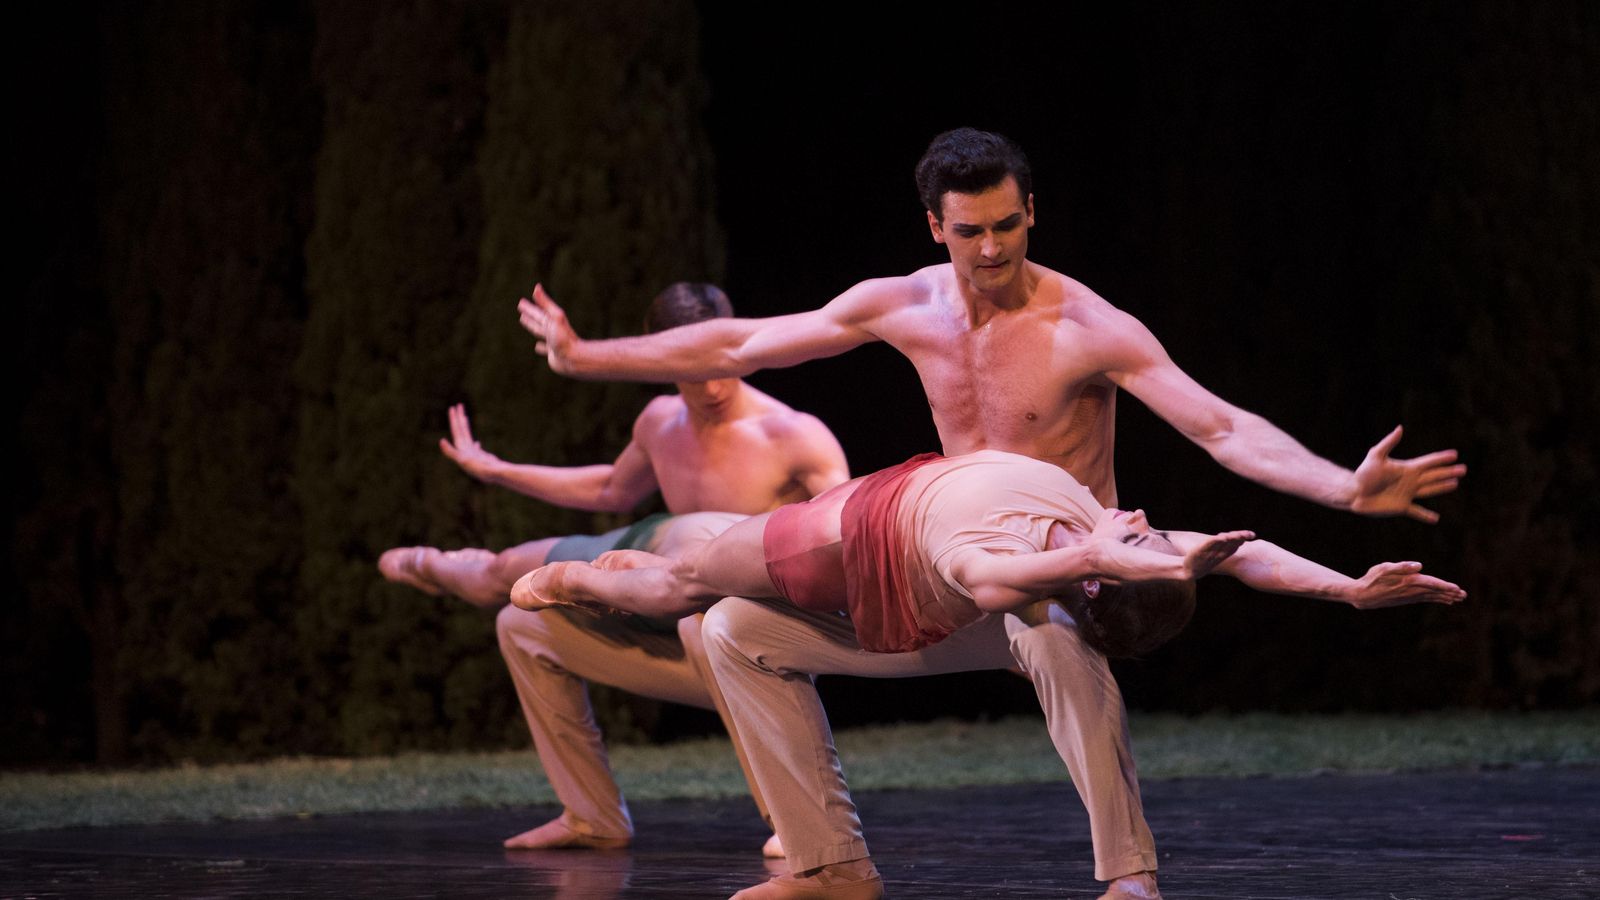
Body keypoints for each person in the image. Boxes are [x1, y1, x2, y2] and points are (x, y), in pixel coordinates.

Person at [516, 130, 1466, 899]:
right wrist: (585, 356)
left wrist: (1344, 491)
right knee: (732, 630)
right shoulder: (904, 306)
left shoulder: (1087, 329)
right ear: (936, 226)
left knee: (1056, 629)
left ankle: (1130, 878)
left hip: (1052, 573)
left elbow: (1221, 429)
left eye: (1009, 224)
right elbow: (742, 342)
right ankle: (828, 865)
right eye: (971, 231)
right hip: (940, 570)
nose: (994, 248)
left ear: (1032, 211)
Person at [381, 282, 850, 857]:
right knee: (523, 625)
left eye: (720, 364)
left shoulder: (793, 434)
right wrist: (497, 470)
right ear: (663, 359)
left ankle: (795, 823)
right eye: (692, 368)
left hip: (760, 644)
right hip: (677, 621)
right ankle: (592, 816)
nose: (711, 385)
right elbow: (610, 489)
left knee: (706, 615)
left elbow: (844, 538)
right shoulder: (661, 423)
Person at [509, 450, 1461, 654]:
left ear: (1099, 581)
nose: (1143, 519)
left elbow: (994, 578)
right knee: (688, 562)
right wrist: (1345, 590)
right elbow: (1243, 556)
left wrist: (1111, 555)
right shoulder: (1106, 538)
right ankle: (617, 577)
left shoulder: (1000, 568)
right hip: (887, 490)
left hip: (830, 548)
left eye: (1138, 540)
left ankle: (578, 582)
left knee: (685, 582)